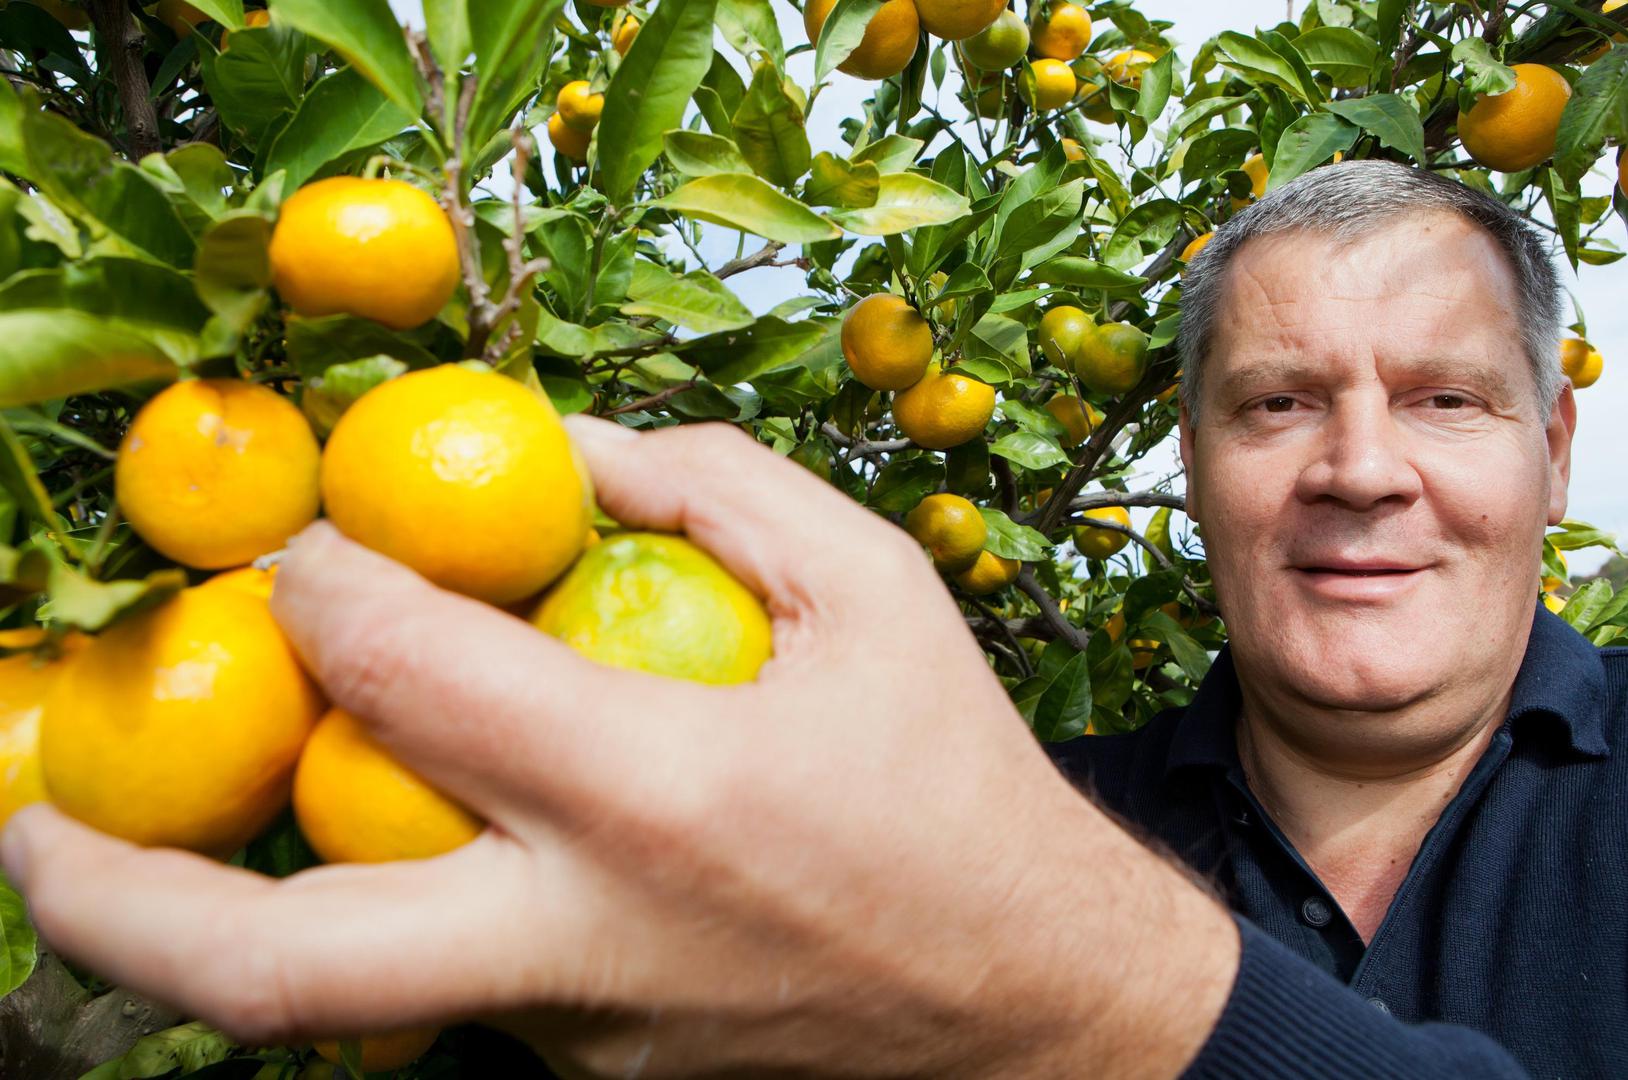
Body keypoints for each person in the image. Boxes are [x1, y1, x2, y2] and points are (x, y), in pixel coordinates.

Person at [0, 159, 1615, 1078]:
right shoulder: (1014, 807)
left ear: (1552, 450)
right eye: (1276, 404)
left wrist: (1083, 985)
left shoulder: (986, 873)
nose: (1360, 470)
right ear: (1192, 459)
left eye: (1446, 400)